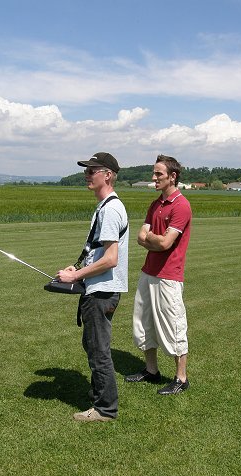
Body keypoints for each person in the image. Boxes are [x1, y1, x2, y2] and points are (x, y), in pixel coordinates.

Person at [57, 152, 129, 422]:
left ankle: (105, 409)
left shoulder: (110, 209)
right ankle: (101, 392)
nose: (87, 175)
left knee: (99, 350)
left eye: (92, 171)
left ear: (107, 175)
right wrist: (79, 268)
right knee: (92, 344)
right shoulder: (105, 206)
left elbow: (111, 260)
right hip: (97, 288)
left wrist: (75, 277)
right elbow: (99, 253)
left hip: (102, 291)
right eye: (86, 171)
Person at [126, 154, 192, 395]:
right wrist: (154, 239)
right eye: (154, 173)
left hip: (169, 275)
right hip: (149, 272)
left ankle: (181, 378)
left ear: (172, 177)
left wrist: (152, 238)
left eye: (158, 174)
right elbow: (140, 236)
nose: (153, 178)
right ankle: (151, 371)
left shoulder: (181, 205)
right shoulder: (155, 204)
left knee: (173, 325)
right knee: (143, 324)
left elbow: (164, 243)